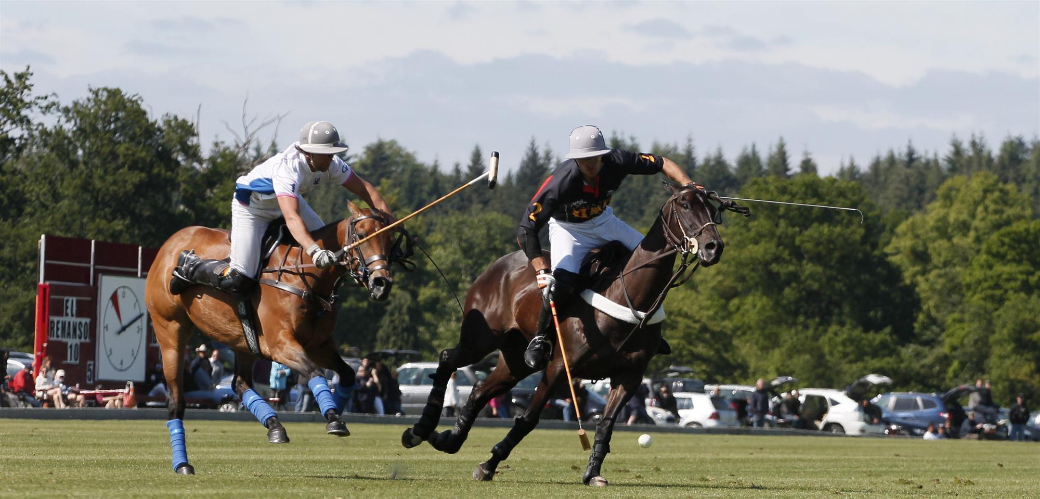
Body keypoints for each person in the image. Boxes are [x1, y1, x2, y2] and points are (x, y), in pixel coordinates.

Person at [517, 124, 695, 370]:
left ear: (603, 154)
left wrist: (689, 185)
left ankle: (648, 325)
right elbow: (526, 229)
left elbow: (662, 163)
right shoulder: (560, 183)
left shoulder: (619, 160)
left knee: (656, 260)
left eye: (593, 158)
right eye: (582, 160)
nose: (589, 164)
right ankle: (540, 338)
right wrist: (541, 271)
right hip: (569, 230)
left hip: (603, 221)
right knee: (561, 285)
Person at [169, 121, 395, 296]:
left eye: (332, 154)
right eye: (325, 155)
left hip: (288, 202)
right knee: (240, 279)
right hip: (253, 209)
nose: (331, 160)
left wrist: (389, 224)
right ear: (308, 153)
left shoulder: (331, 164)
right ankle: (192, 267)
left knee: (332, 251)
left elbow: (367, 191)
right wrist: (314, 251)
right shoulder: (288, 169)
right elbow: (292, 217)